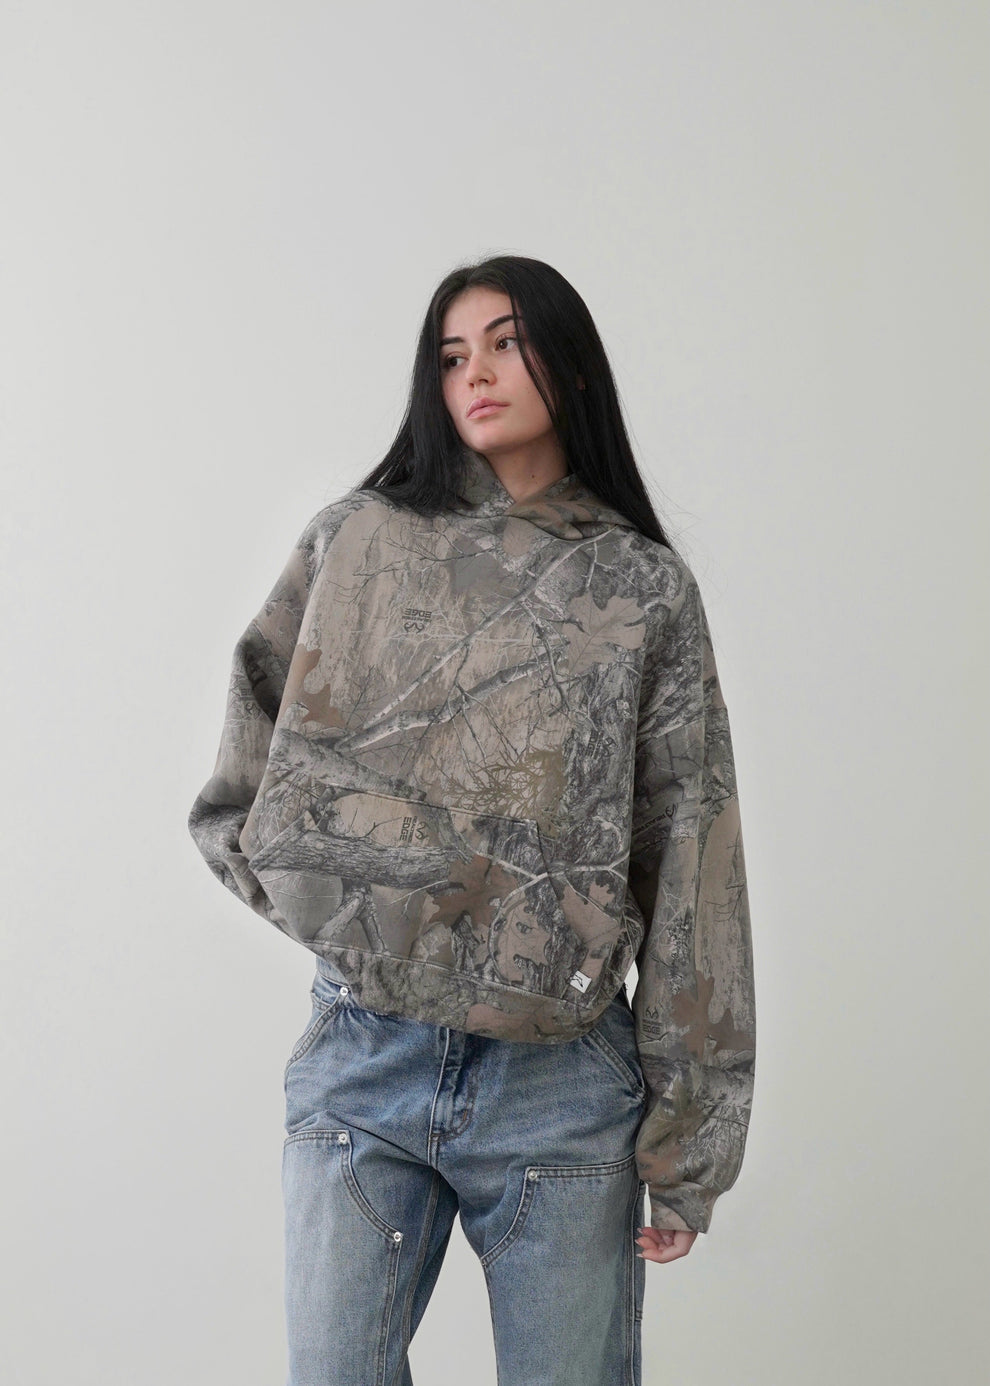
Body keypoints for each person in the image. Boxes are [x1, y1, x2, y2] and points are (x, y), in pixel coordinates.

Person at [187, 254, 756, 1386]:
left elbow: (693, 857)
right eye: (451, 357)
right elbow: (243, 784)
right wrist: (351, 928)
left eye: (505, 343)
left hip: (562, 1084)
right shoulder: (356, 541)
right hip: (365, 1060)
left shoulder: (640, 589)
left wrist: (688, 1145)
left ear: (571, 365)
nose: (476, 375)